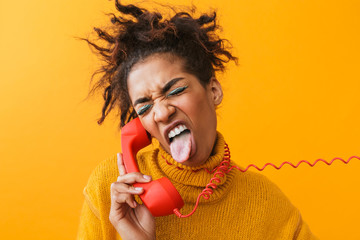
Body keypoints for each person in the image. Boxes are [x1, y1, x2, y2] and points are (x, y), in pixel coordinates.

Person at [77, 1, 318, 239]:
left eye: (175, 91)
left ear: (213, 90)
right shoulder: (112, 190)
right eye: (145, 107)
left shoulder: (268, 205)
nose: (161, 113)